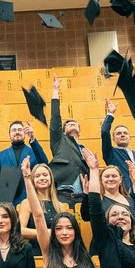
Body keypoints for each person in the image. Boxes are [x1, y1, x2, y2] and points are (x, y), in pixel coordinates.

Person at [48, 76, 88, 207]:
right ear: (63, 132)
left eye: (75, 123)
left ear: (80, 132)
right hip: (63, 195)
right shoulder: (60, 141)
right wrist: (55, 91)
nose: (73, 124)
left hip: (84, 196)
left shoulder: (85, 150)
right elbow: (55, 119)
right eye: (69, 124)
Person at [0, 120, 48, 203]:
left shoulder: (34, 152)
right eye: (14, 130)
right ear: (9, 135)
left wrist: (33, 138)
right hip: (6, 201)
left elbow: (44, 164)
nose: (17, 132)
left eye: (20, 130)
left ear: (25, 133)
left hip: (29, 198)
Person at [101, 98, 135, 195]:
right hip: (122, 194)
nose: (122, 135)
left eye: (125, 133)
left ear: (129, 137)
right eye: (119, 133)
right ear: (114, 139)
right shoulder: (110, 153)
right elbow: (105, 132)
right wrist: (110, 114)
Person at [17, 163, 68, 241]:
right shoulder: (27, 203)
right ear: (33, 181)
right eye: (37, 176)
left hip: (55, 248)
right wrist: (48, 232)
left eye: (45, 175)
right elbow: (22, 230)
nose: (42, 178)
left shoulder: (60, 206)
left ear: (51, 178)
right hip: (34, 249)